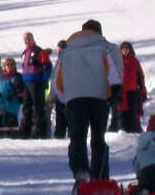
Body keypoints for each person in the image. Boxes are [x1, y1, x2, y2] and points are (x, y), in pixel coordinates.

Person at [53, 19, 123, 183]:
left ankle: (80, 173)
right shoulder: (106, 47)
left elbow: (57, 82)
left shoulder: (66, 51)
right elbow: (114, 71)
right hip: (99, 98)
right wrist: (115, 90)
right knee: (98, 137)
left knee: (77, 137)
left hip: (74, 100)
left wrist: (65, 100)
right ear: (99, 32)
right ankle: (100, 177)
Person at [20, 32, 52, 138]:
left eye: (28, 38)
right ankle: (26, 130)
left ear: (32, 39)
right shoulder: (24, 53)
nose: (26, 40)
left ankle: (40, 131)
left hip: (37, 83)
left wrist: (44, 79)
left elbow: (47, 65)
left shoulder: (39, 51)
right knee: (26, 107)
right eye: (25, 39)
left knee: (38, 107)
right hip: (27, 83)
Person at [117, 41, 147, 132]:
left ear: (130, 49)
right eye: (122, 49)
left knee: (132, 112)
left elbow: (140, 77)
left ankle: (133, 130)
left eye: (126, 48)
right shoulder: (116, 61)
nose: (124, 50)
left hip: (132, 92)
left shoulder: (135, 61)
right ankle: (122, 131)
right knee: (121, 113)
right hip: (120, 91)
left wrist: (143, 90)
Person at [0, 57, 24, 134]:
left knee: (11, 129)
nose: (9, 66)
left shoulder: (18, 77)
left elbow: (22, 90)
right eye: (7, 65)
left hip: (12, 106)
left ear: (14, 66)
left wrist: (15, 95)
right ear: (4, 66)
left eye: (11, 65)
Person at [47, 40, 69, 139]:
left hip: (66, 94)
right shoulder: (58, 62)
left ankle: (68, 135)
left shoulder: (69, 61)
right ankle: (59, 135)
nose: (59, 53)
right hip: (58, 94)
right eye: (58, 51)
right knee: (60, 117)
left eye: (60, 51)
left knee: (67, 116)